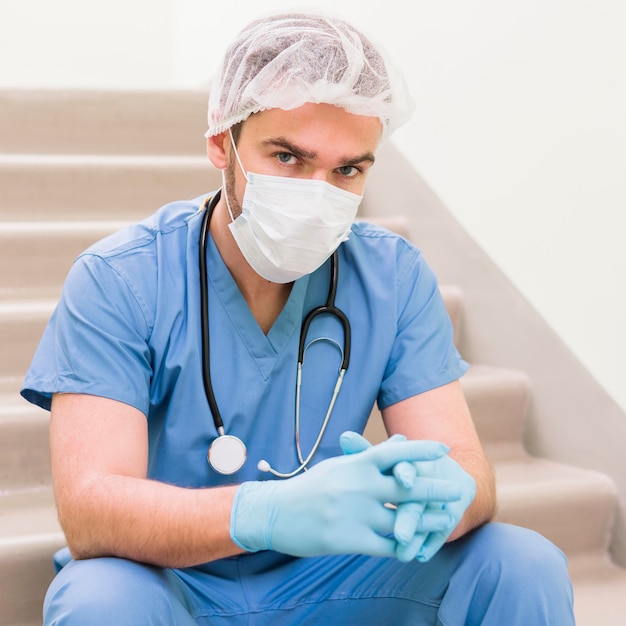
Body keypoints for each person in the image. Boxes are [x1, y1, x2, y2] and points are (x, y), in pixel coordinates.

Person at [22, 11, 575, 625]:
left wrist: (447, 497)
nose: (318, 193)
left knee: (519, 561)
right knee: (99, 601)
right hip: (170, 579)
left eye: (348, 169)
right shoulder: (120, 279)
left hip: (332, 575)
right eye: (288, 157)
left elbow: (467, 466)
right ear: (220, 142)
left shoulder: (390, 277)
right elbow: (90, 508)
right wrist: (269, 513)